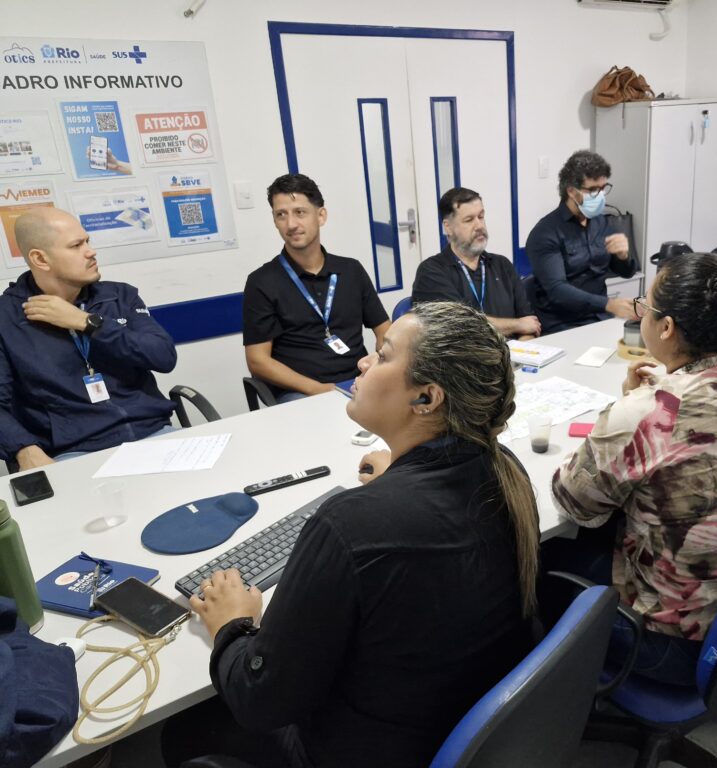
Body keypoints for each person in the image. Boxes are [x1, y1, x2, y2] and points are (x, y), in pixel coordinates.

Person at [171, 302, 540, 768]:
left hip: (367, 750)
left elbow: (259, 699)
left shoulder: (348, 524)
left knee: (185, 731)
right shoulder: (505, 471)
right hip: (462, 729)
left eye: (383, 356)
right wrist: (401, 475)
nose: (363, 362)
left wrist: (233, 623)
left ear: (426, 398)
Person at [548, 252, 717, 686]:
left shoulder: (648, 413)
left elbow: (572, 500)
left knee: (539, 560)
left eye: (645, 308)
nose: (643, 315)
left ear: (665, 328)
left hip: (673, 642)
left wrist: (626, 410)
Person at [0, 207, 176, 470]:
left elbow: (163, 356)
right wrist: (24, 449)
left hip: (152, 434)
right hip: (73, 453)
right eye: (76, 245)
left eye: (88, 241)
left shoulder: (119, 296)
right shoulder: (7, 318)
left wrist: (87, 323)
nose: (91, 252)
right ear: (41, 259)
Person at [243, 173, 390, 402]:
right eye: (281, 215)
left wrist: (381, 364)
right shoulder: (262, 282)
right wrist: (320, 389)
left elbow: (385, 330)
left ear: (321, 215)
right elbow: (258, 361)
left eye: (300, 212)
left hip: (360, 380)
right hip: (302, 392)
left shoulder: (351, 270)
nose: (291, 224)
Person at [525, 150, 638, 333]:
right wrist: (609, 304)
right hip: (563, 324)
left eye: (603, 188)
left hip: (601, 318)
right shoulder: (545, 233)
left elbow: (626, 272)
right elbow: (557, 290)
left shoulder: (602, 223)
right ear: (571, 190)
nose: (600, 195)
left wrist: (624, 256)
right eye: (593, 190)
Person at [411, 187, 540, 339]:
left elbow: (530, 324)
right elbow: (461, 327)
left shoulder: (502, 265)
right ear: (448, 227)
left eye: (481, 216)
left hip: (514, 358)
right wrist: (517, 325)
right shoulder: (432, 271)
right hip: (462, 361)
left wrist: (522, 354)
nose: (479, 226)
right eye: (469, 220)